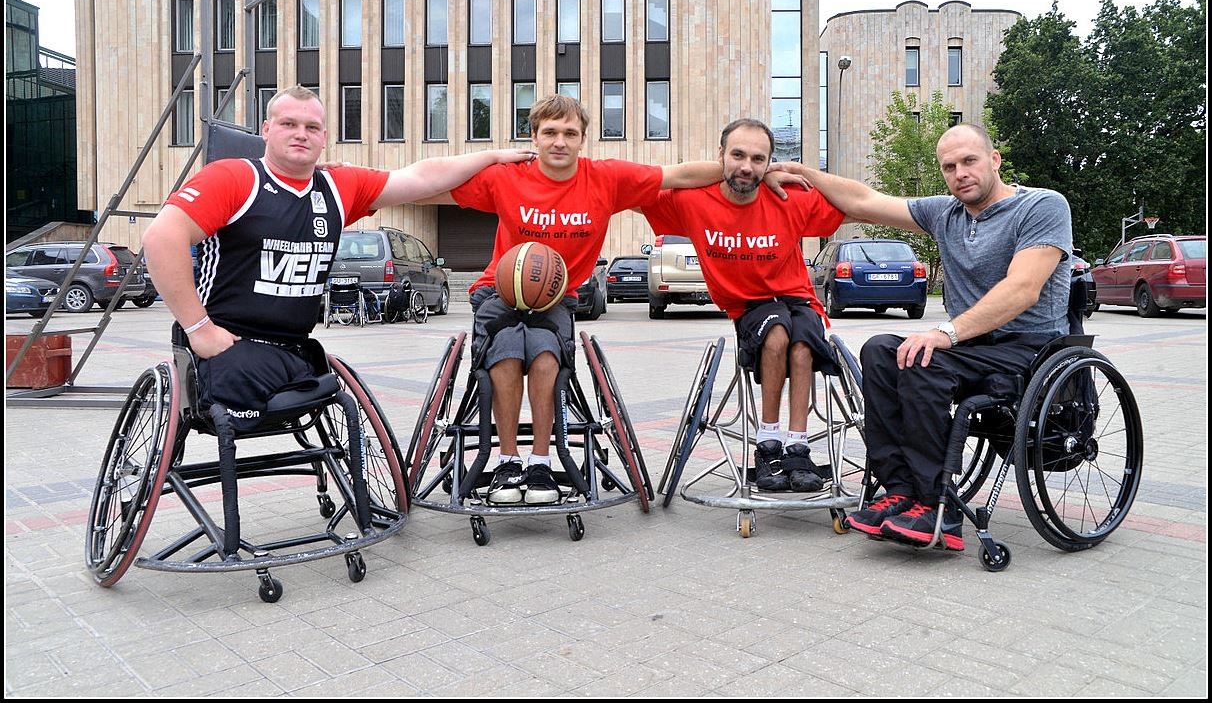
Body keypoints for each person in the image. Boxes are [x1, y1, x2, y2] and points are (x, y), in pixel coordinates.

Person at [418, 95, 799, 504]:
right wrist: (492, 155)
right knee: (508, 353)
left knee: (546, 356)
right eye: (549, 133)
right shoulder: (508, 177)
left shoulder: (606, 177)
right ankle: (509, 462)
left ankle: (542, 463)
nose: (559, 142)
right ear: (533, 137)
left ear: (584, 139)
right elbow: (431, 185)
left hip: (555, 297)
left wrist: (762, 173)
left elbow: (682, 174)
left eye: (569, 133)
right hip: (500, 290)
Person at [142, 85, 533, 423]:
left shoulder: (337, 186)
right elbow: (161, 238)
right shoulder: (233, 177)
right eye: (288, 124)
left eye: (311, 127)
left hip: (297, 347)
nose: (301, 134)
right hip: (228, 344)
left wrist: (492, 156)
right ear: (266, 130)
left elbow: (419, 177)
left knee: (333, 390)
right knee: (253, 395)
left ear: (324, 136)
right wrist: (199, 330)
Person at [788, 123, 1073, 550]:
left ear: (994, 160)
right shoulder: (946, 212)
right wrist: (800, 171)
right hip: (969, 347)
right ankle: (900, 490)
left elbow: (1022, 289)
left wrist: (947, 332)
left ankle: (936, 503)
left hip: (1028, 347)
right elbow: (865, 202)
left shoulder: (1042, 207)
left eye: (969, 161)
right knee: (883, 351)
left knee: (925, 360)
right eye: (949, 166)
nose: (960, 173)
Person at [640, 118, 846, 493]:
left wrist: (798, 171)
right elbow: (636, 189)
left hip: (798, 297)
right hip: (750, 305)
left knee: (803, 345)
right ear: (720, 155)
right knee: (778, 334)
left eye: (758, 158)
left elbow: (854, 204)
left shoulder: (786, 196)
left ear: (770, 162)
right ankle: (768, 444)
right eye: (737, 155)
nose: (747, 166)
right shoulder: (694, 199)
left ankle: (798, 446)